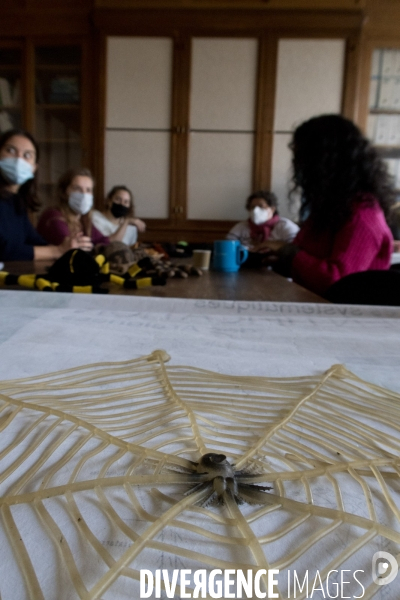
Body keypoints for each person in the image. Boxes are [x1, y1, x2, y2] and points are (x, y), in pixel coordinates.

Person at [272, 114, 394, 296]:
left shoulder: (362, 215)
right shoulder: (330, 208)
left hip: (344, 318)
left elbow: (338, 282)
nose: (297, 167)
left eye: (301, 158)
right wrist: (278, 258)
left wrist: (289, 254)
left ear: (323, 162)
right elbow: (302, 259)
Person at [0, 129, 92, 261]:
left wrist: (65, 246)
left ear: (34, 168)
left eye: (27, 155)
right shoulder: (53, 216)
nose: (18, 159)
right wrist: (57, 250)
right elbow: (4, 249)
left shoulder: (17, 201)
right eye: (11, 150)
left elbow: (33, 239)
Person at [37, 168, 109, 247]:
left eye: (88, 190)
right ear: (64, 192)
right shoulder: (52, 215)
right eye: (77, 189)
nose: (84, 195)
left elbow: (104, 241)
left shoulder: (83, 219)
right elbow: (69, 246)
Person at [226, 190, 299, 251]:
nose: (255, 210)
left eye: (261, 207)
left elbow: (294, 249)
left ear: (272, 209)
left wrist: (267, 244)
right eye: (252, 207)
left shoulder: (285, 226)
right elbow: (227, 246)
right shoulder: (241, 227)